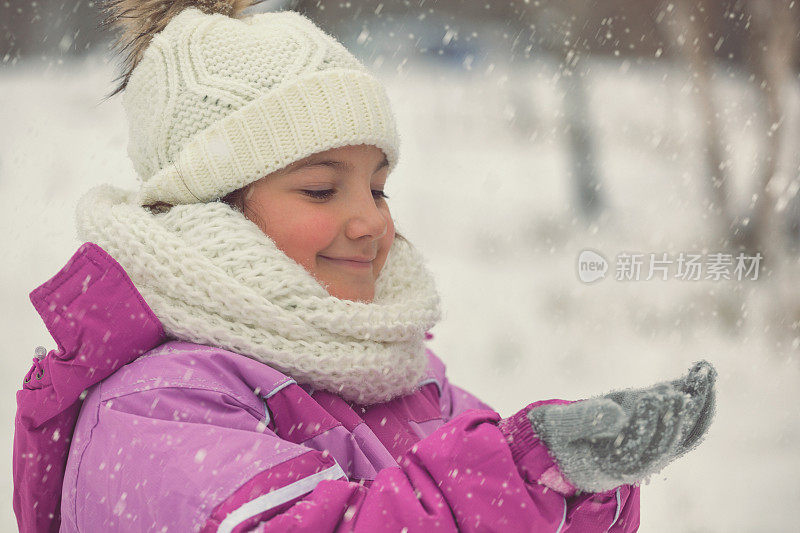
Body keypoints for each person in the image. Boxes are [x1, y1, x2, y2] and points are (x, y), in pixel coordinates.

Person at [12, 1, 716, 531]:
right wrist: (531, 470)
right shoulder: (150, 407)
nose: (372, 221)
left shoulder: (397, 380)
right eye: (322, 188)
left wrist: (585, 478)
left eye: (378, 186)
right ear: (207, 209)